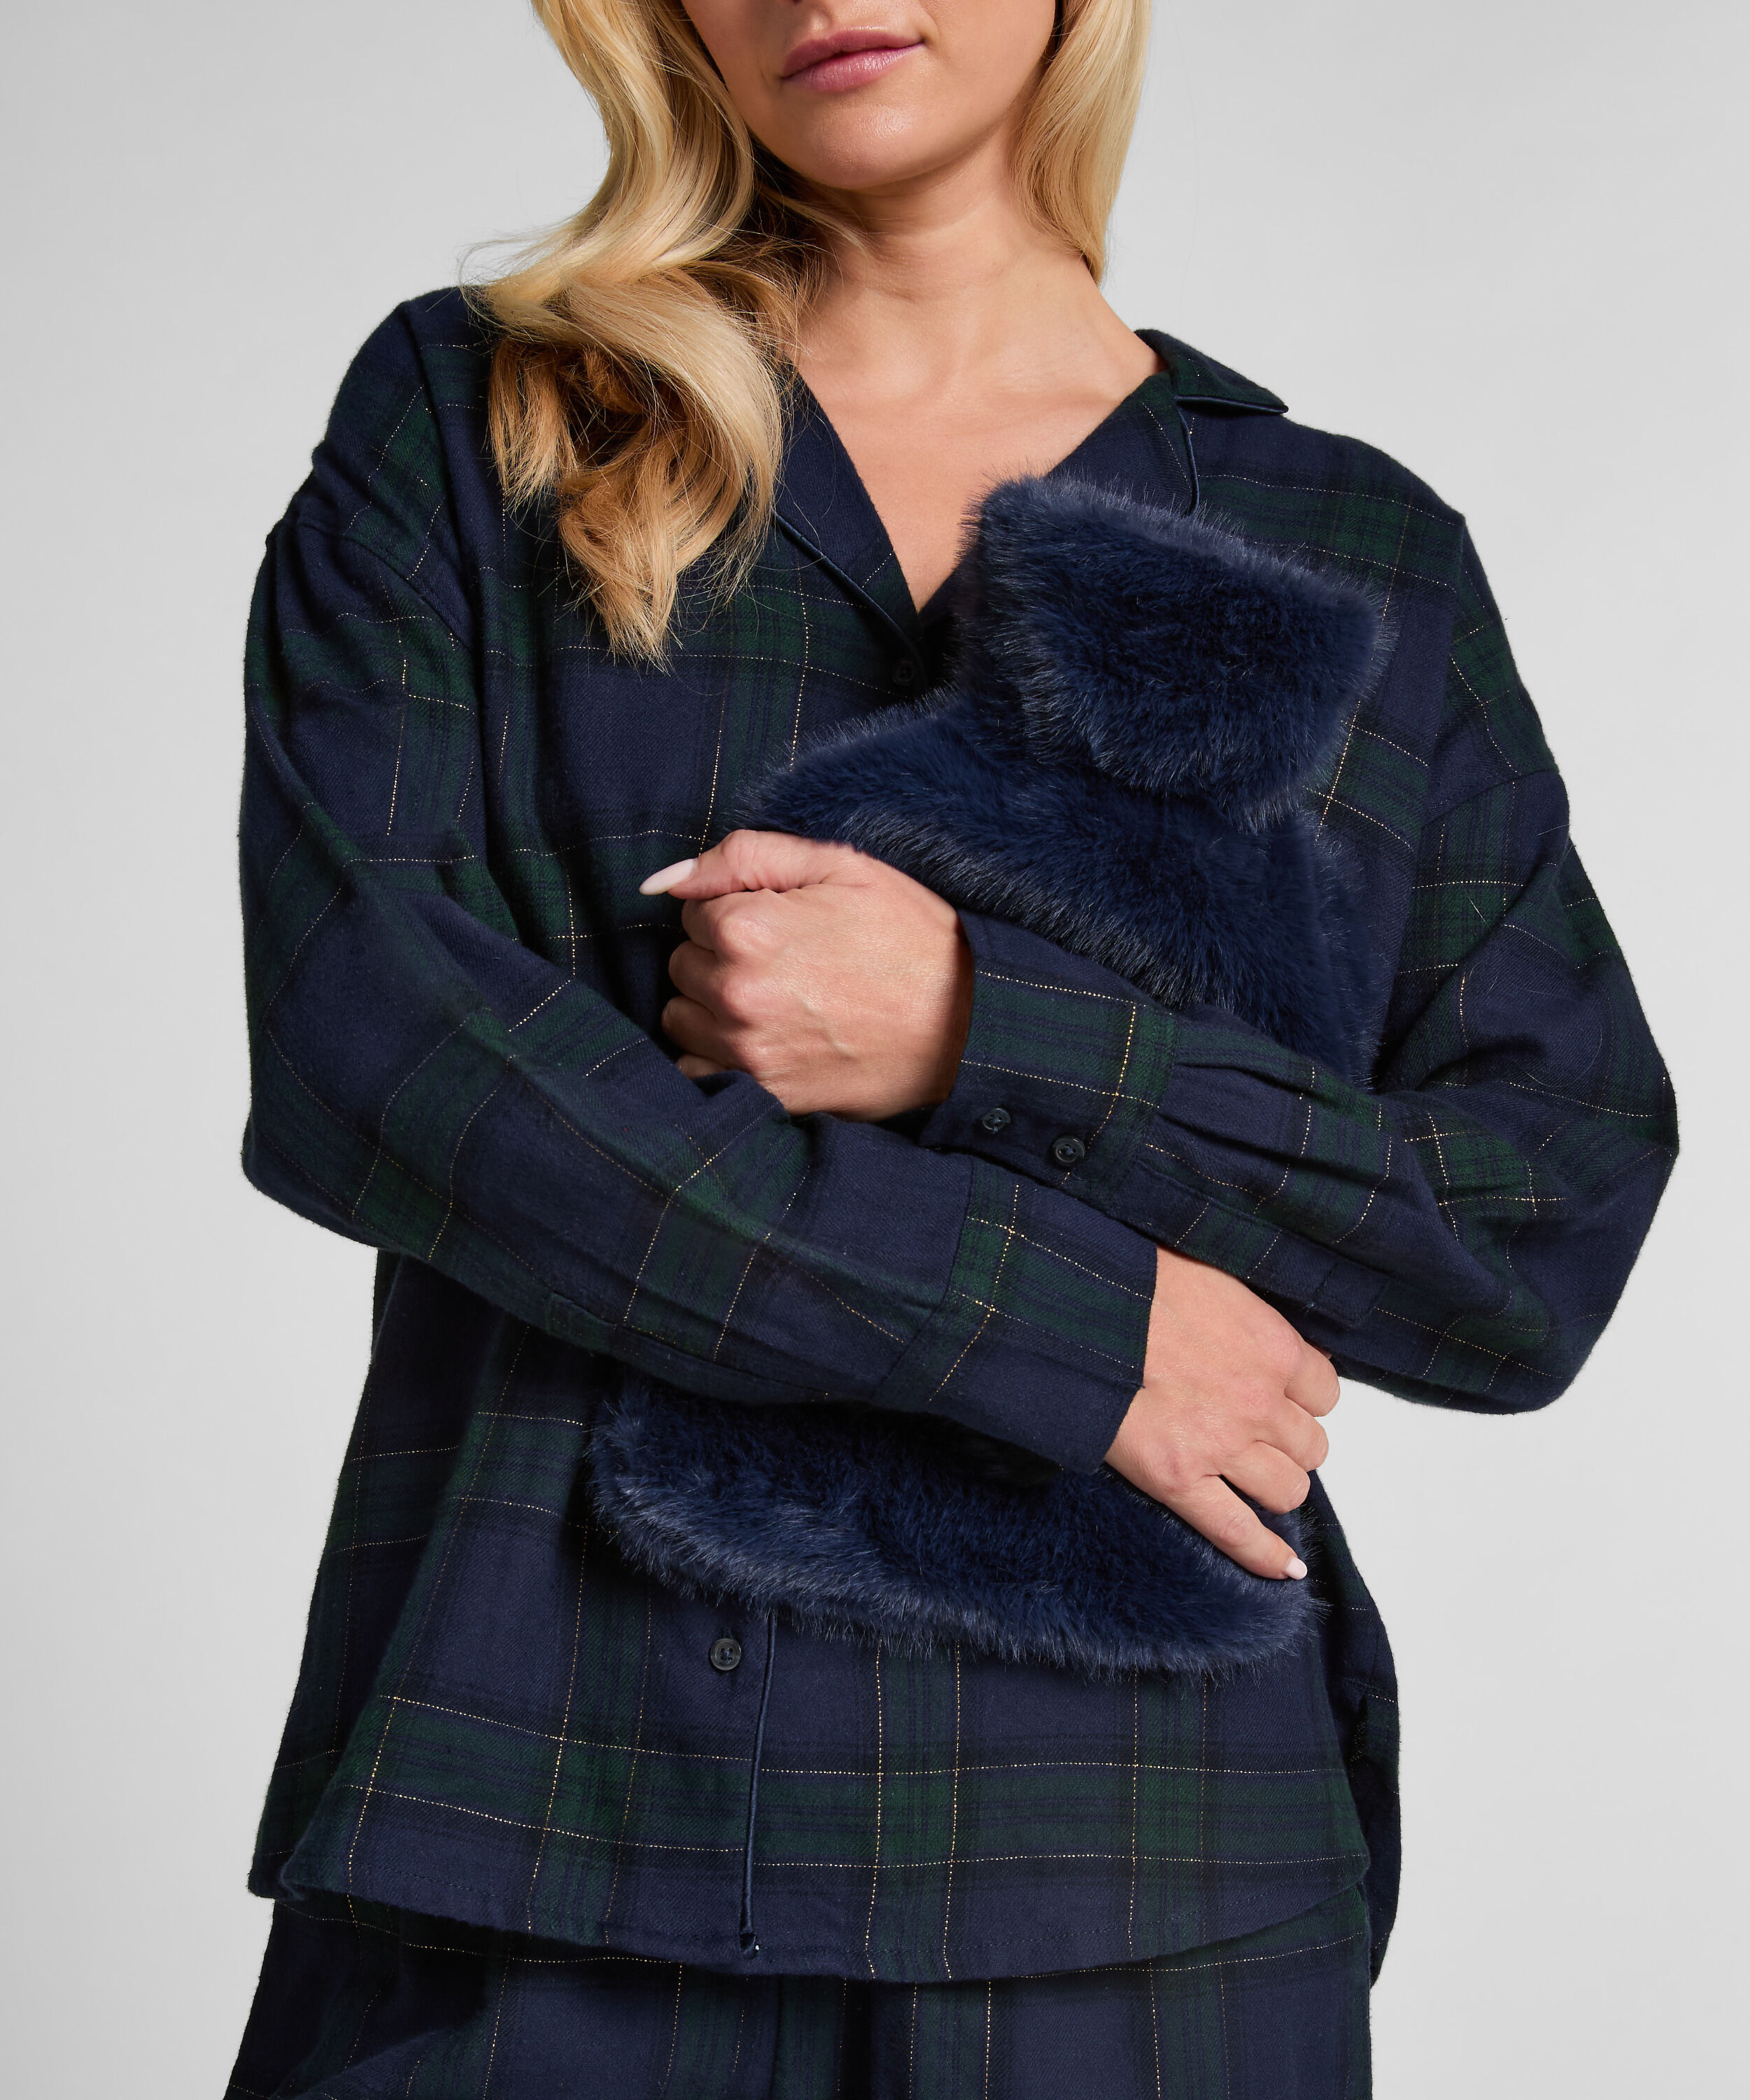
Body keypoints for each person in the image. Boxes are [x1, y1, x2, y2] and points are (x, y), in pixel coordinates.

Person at [225, 0, 1676, 2092]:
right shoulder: (495, 423)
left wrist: (987, 1037)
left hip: (1142, 1864)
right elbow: (373, 1050)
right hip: (552, 1797)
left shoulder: (1345, 548)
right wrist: (1074, 1333)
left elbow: (1538, 1225)